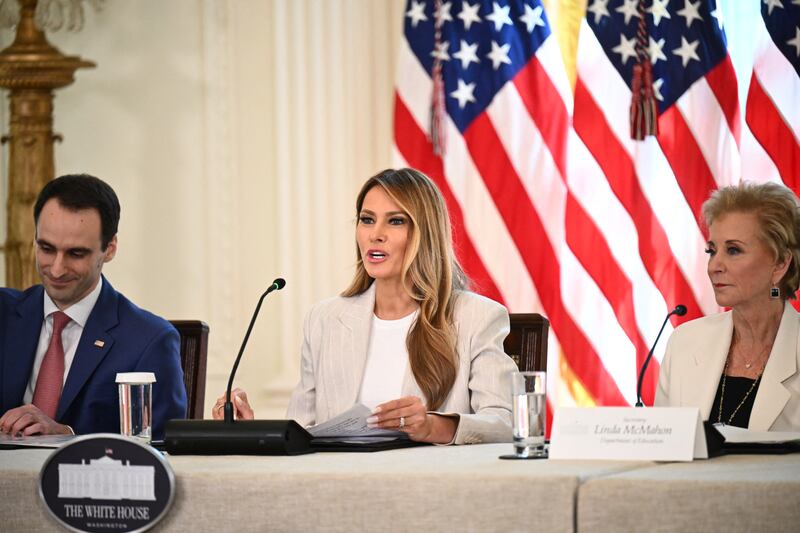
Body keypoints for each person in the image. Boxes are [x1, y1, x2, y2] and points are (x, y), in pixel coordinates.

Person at [214, 168, 516, 444]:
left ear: (426, 233)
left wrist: (433, 426)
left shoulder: (477, 317)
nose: (375, 234)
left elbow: (505, 423)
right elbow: (302, 431)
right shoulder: (324, 319)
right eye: (367, 219)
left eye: (395, 221)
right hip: (339, 483)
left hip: (428, 482)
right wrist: (250, 432)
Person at [0, 174, 187, 439]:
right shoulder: (4, 315)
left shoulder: (150, 341)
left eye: (76, 253)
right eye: (47, 249)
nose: (56, 269)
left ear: (109, 249)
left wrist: (67, 436)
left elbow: (161, 445)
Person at [655, 181, 800, 431]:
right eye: (712, 251)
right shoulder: (684, 342)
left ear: (780, 264)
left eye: (733, 250)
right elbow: (663, 444)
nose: (714, 266)